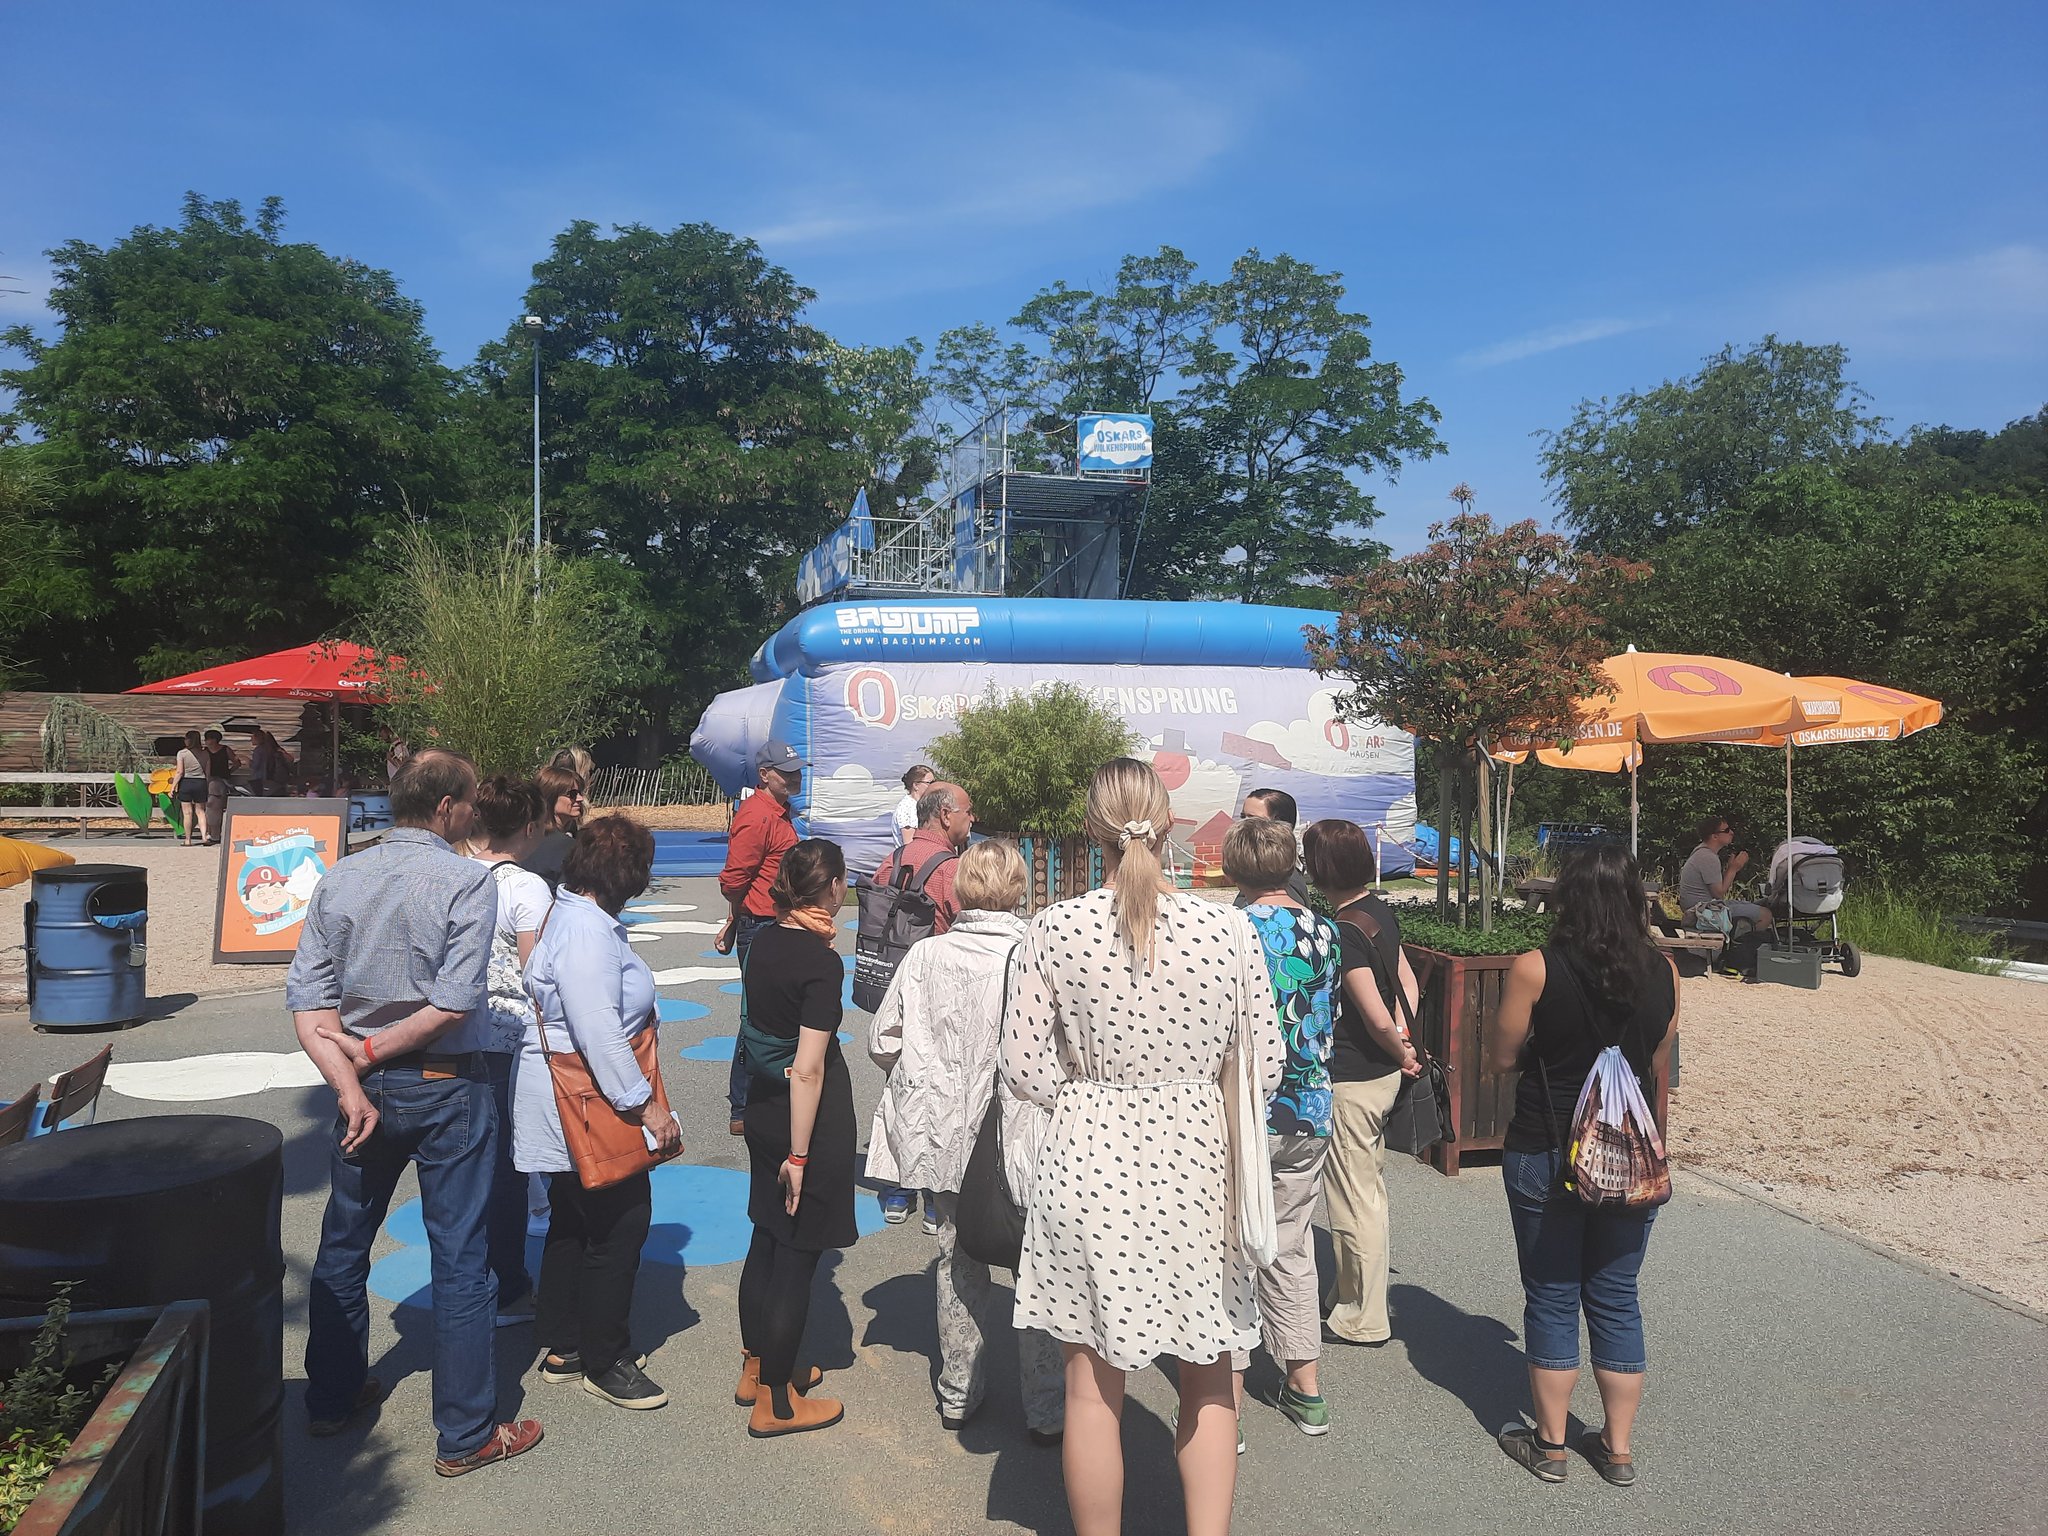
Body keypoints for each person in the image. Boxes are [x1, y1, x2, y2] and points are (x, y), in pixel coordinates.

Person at [1002, 757, 1282, 1536]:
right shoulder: (1228, 929)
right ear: (1168, 824)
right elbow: (1266, 1064)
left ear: (1092, 831)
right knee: (1210, 1376)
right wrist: (1192, 1094)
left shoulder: (1052, 928)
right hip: (1199, 1157)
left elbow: (1022, 1066)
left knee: (1091, 1390)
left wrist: (1085, 1097)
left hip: (1087, 1152)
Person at [288, 749, 543, 1477]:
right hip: (443, 1085)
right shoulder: (466, 881)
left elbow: (309, 1004)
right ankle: (465, 1433)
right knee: (460, 1257)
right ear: (446, 808)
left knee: (344, 1244)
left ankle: (332, 1396)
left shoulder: (340, 877)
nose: (473, 812)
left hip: (360, 1090)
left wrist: (349, 1082)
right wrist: (370, 1054)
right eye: (469, 800)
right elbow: (455, 1003)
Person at [1486, 843, 1679, 1487]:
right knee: (1617, 1296)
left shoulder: (1535, 967)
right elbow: (1658, 1065)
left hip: (1546, 1144)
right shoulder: (1665, 972)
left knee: (1552, 1293)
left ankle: (1551, 1445)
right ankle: (1617, 1449)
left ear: (1565, 896)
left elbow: (1502, 1058)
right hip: (1630, 1153)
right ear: (1635, 897)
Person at [868, 838, 1064, 1446]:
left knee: (959, 1260)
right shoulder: (1037, 954)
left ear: (958, 889)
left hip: (942, 1135)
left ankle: (959, 1390)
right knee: (1037, 1268)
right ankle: (1046, 1407)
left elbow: (883, 1040)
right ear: (1019, 888)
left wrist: (927, 1073)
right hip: (1023, 1137)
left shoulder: (926, 956)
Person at [515, 815, 678, 1410]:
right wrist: (645, 1106)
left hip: (568, 1091)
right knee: (620, 1221)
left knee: (574, 1215)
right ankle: (605, 1357)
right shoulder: (586, 931)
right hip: (588, 1095)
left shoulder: (572, 914)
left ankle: (566, 1342)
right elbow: (597, 1029)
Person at [1223, 816, 1340, 1437]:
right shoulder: (1325, 930)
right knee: (1291, 1243)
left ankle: (1226, 1406)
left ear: (1233, 868)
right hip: (1310, 1105)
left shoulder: (1231, 930)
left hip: (1246, 1107)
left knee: (1230, 1248)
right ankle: (1305, 1387)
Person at [738, 838, 856, 1437]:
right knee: (799, 1250)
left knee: (767, 1233)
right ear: (832, 887)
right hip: (801, 1118)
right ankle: (777, 1402)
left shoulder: (763, 940)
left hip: (762, 1106)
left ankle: (758, 1365)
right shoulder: (820, 962)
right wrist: (801, 1155)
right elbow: (808, 1068)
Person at [1301, 818, 1423, 1348]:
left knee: (1353, 1200)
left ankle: (1363, 1316)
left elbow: (1371, 1013)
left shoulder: (1344, 931)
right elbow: (1406, 981)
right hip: (1381, 1073)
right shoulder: (1376, 911)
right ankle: (1347, 1291)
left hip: (1354, 1076)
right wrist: (1404, 1041)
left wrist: (1397, 1047)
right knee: (1364, 1188)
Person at [867, 779, 974, 1227]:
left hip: (891, 988)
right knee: (941, 1091)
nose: (972, 819)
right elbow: (965, 927)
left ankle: (897, 1189)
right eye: (968, 811)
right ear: (945, 815)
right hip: (938, 994)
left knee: (899, 1086)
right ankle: (934, 1194)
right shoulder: (951, 869)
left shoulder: (892, 860)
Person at [466, 776, 550, 1329]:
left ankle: (471, 1276)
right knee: (506, 1166)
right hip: (510, 1036)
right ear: (530, 826)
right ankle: (508, 1283)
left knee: (469, 1162)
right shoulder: (527, 888)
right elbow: (536, 971)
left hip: (456, 1028)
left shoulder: (458, 874)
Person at [715, 739, 805, 1136]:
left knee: (771, 1014)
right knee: (757, 1017)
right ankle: (742, 1106)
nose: (794, 778)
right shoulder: (757, 816)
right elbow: (734, 879)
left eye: (796, 771)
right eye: (786, 773)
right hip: (762, 926)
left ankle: (760, 1099)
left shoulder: (779, 813)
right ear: (765, 775)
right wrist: (738, 916)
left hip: (772, 923)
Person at [1678, 815, 1773, 935]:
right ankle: (1738, 943)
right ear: (1714, 836)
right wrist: (1733, 869)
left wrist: (1730, 869)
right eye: (1726, 830)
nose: (1731, 832)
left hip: (1703, 907)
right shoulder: (1708, 857)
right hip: (1704, 912)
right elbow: (1719, 893)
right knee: (1766, 915)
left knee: (1754, 905)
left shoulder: (1702, 852)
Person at [1236, 789, 1309, 905]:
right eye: (1243, 817)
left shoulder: (1282, 883)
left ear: (1278, 824)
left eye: (1252, 819)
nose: (1243, 826)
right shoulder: (1258, 872)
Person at [521, 765, 587, 891]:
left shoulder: (522, 837)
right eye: (572, 794)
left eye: (580, 792)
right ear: (550, 797)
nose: (580, 799)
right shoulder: (567, 846)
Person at [201, 729, 237, 845]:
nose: (206, 741)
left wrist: (228, 772)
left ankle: (215, 835)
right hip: (208, 781)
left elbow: (236, 762)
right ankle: (211, 832)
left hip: (220, 781)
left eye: (208, 739)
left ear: (214, 739)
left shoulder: (225, 749)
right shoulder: (205, 751)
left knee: (214, 807)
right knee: (208, 808)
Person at [173, 730, 208, 847]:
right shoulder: (205, 754)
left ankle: (188, 840)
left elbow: (179, 772)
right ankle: (204, 837)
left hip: (186, 782)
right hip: (201, 781)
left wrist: (173, 786)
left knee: (187, 813)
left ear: (189, 740)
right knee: (201, 811)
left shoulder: (182, 753)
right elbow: (208, 772)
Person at [893, 764, 936, 848]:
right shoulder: (908, 808)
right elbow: (909, 845)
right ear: (916, 785)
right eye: (930, 783)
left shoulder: (920, 805)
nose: (933, 786)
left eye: (934, 782)